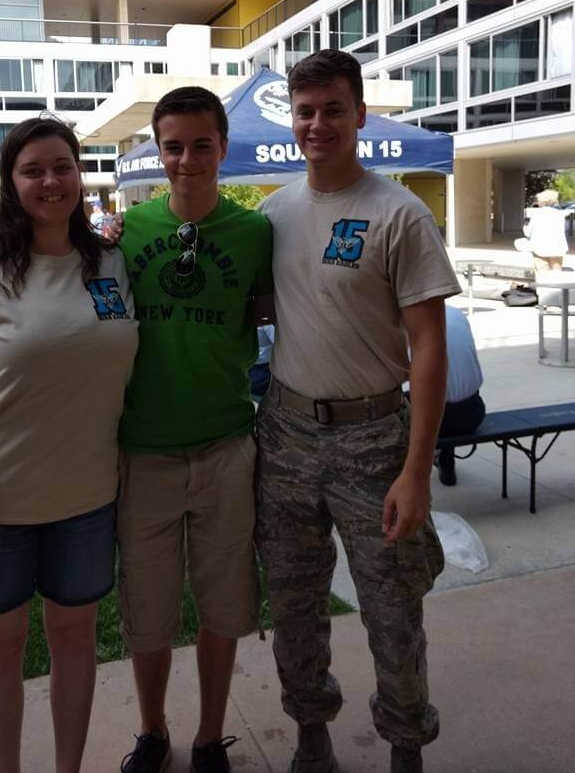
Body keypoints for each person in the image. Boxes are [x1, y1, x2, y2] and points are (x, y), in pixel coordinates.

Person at [255, 50, 461, 773]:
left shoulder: (398, 213)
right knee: (294, 606)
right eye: (305, 111)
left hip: (376, 441)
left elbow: (428, 347)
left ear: (359, 114)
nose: (318, 124)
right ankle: (311, 735)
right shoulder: (273, 214)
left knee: (394, 611)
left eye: (333, 109)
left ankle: (407, 746)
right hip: (284, 436)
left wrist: (417, 470)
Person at [0, 116, 138, 773]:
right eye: (33, 169)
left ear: (79, 173)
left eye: (62, 166)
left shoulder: (110, 263)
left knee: (75, 643)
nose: (50, 181)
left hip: (89, 500)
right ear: (12, 182)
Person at [117, 86, 272, 773]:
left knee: (223, 602)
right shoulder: (126, 233)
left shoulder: (256, 233)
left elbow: (274, 318)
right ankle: (152, 731)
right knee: (146, 611)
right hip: (142, 453)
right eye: (172, 146)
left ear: (222, 149)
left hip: (226, 447)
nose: (186, 160)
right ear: (157, 149)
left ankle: (210, 736)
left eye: (200, 145)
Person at [435, 306, 486, 486]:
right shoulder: (456, 313)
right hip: (472, 414)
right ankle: (446, 461)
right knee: (449, 392)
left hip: (433, 423)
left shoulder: (404, 320)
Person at [514, 189, 567, 270]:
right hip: (558, 249)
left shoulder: (537, 214)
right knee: (556, 275)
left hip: (540, 249)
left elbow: (528, 233)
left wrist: (524, 228)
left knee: (542, 275)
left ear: (542, 201)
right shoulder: (560, 214)